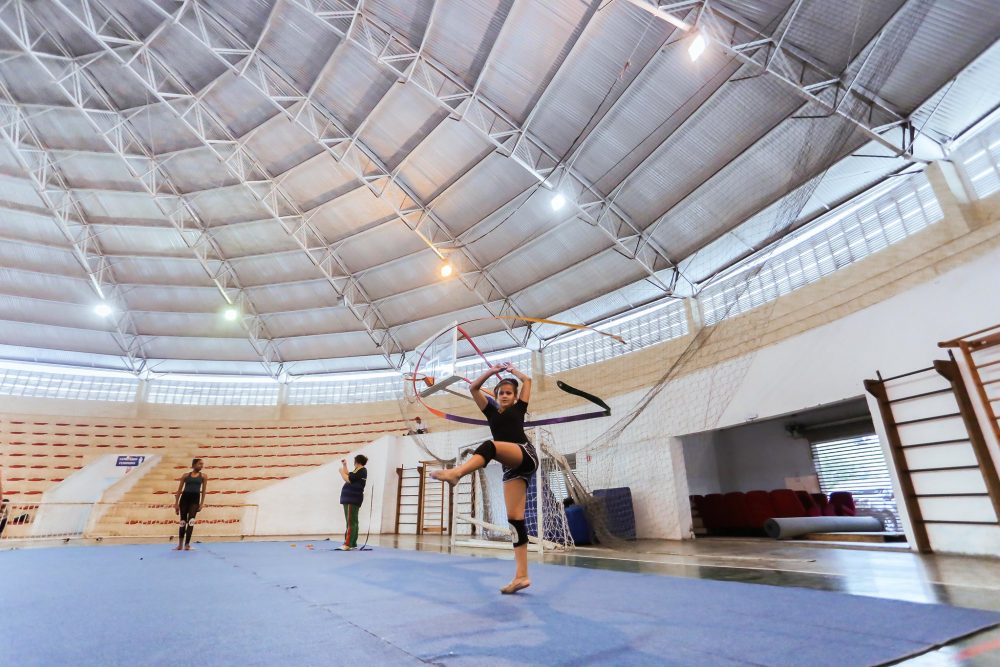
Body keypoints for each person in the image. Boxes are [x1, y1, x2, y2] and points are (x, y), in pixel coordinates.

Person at [431, 362, 536, 594]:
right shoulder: (490, 411)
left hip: (524, 454)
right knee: (515, 521)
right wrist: (492, 372)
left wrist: (512, 372)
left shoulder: (519, 408)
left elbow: (528, 381)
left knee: (489, 446)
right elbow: (474, 388)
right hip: (511, 468)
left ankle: (456, 473)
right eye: (501, 393)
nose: (505, 396)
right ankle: (521, 576)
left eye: (509, 393)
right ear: (496, 396)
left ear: (516, 397)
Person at [173, 458, 207, 551]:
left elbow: (203, 491)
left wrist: (201, 503)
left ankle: (187, 545)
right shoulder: (185, 476)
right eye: (200, 464)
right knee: (182, 522)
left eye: (202, 464)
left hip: (195, 500)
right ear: (194, 465)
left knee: (191, 522)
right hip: (184, 499)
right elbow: (179, 490)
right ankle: (180, 545)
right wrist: (176, 504)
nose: (201, 466)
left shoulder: (203, 476)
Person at [338, 454, 368, 551]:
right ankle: (353, 542)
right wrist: (345, 465)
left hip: (352, 499)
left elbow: (348, 478)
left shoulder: (361, 470)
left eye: (354, 461)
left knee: (351, 522)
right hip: (351, 499)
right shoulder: (358, 471)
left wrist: (341, 472)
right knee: (353, 521)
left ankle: (347, 544)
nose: (354, 463)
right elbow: (349, 474)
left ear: (357, 462)